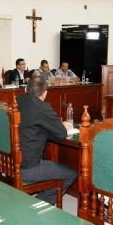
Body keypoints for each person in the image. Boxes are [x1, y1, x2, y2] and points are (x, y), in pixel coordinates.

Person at [17, 76, 78, 205]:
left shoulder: (18, 100)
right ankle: (42, 203)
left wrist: (53, 125)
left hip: (12, 163)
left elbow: (32, 125)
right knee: (72, 173)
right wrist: (59, 125)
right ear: (45, 93)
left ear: (26, 89)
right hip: (29, 168)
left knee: (51, 165)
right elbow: (61, 134)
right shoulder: (42, 107)